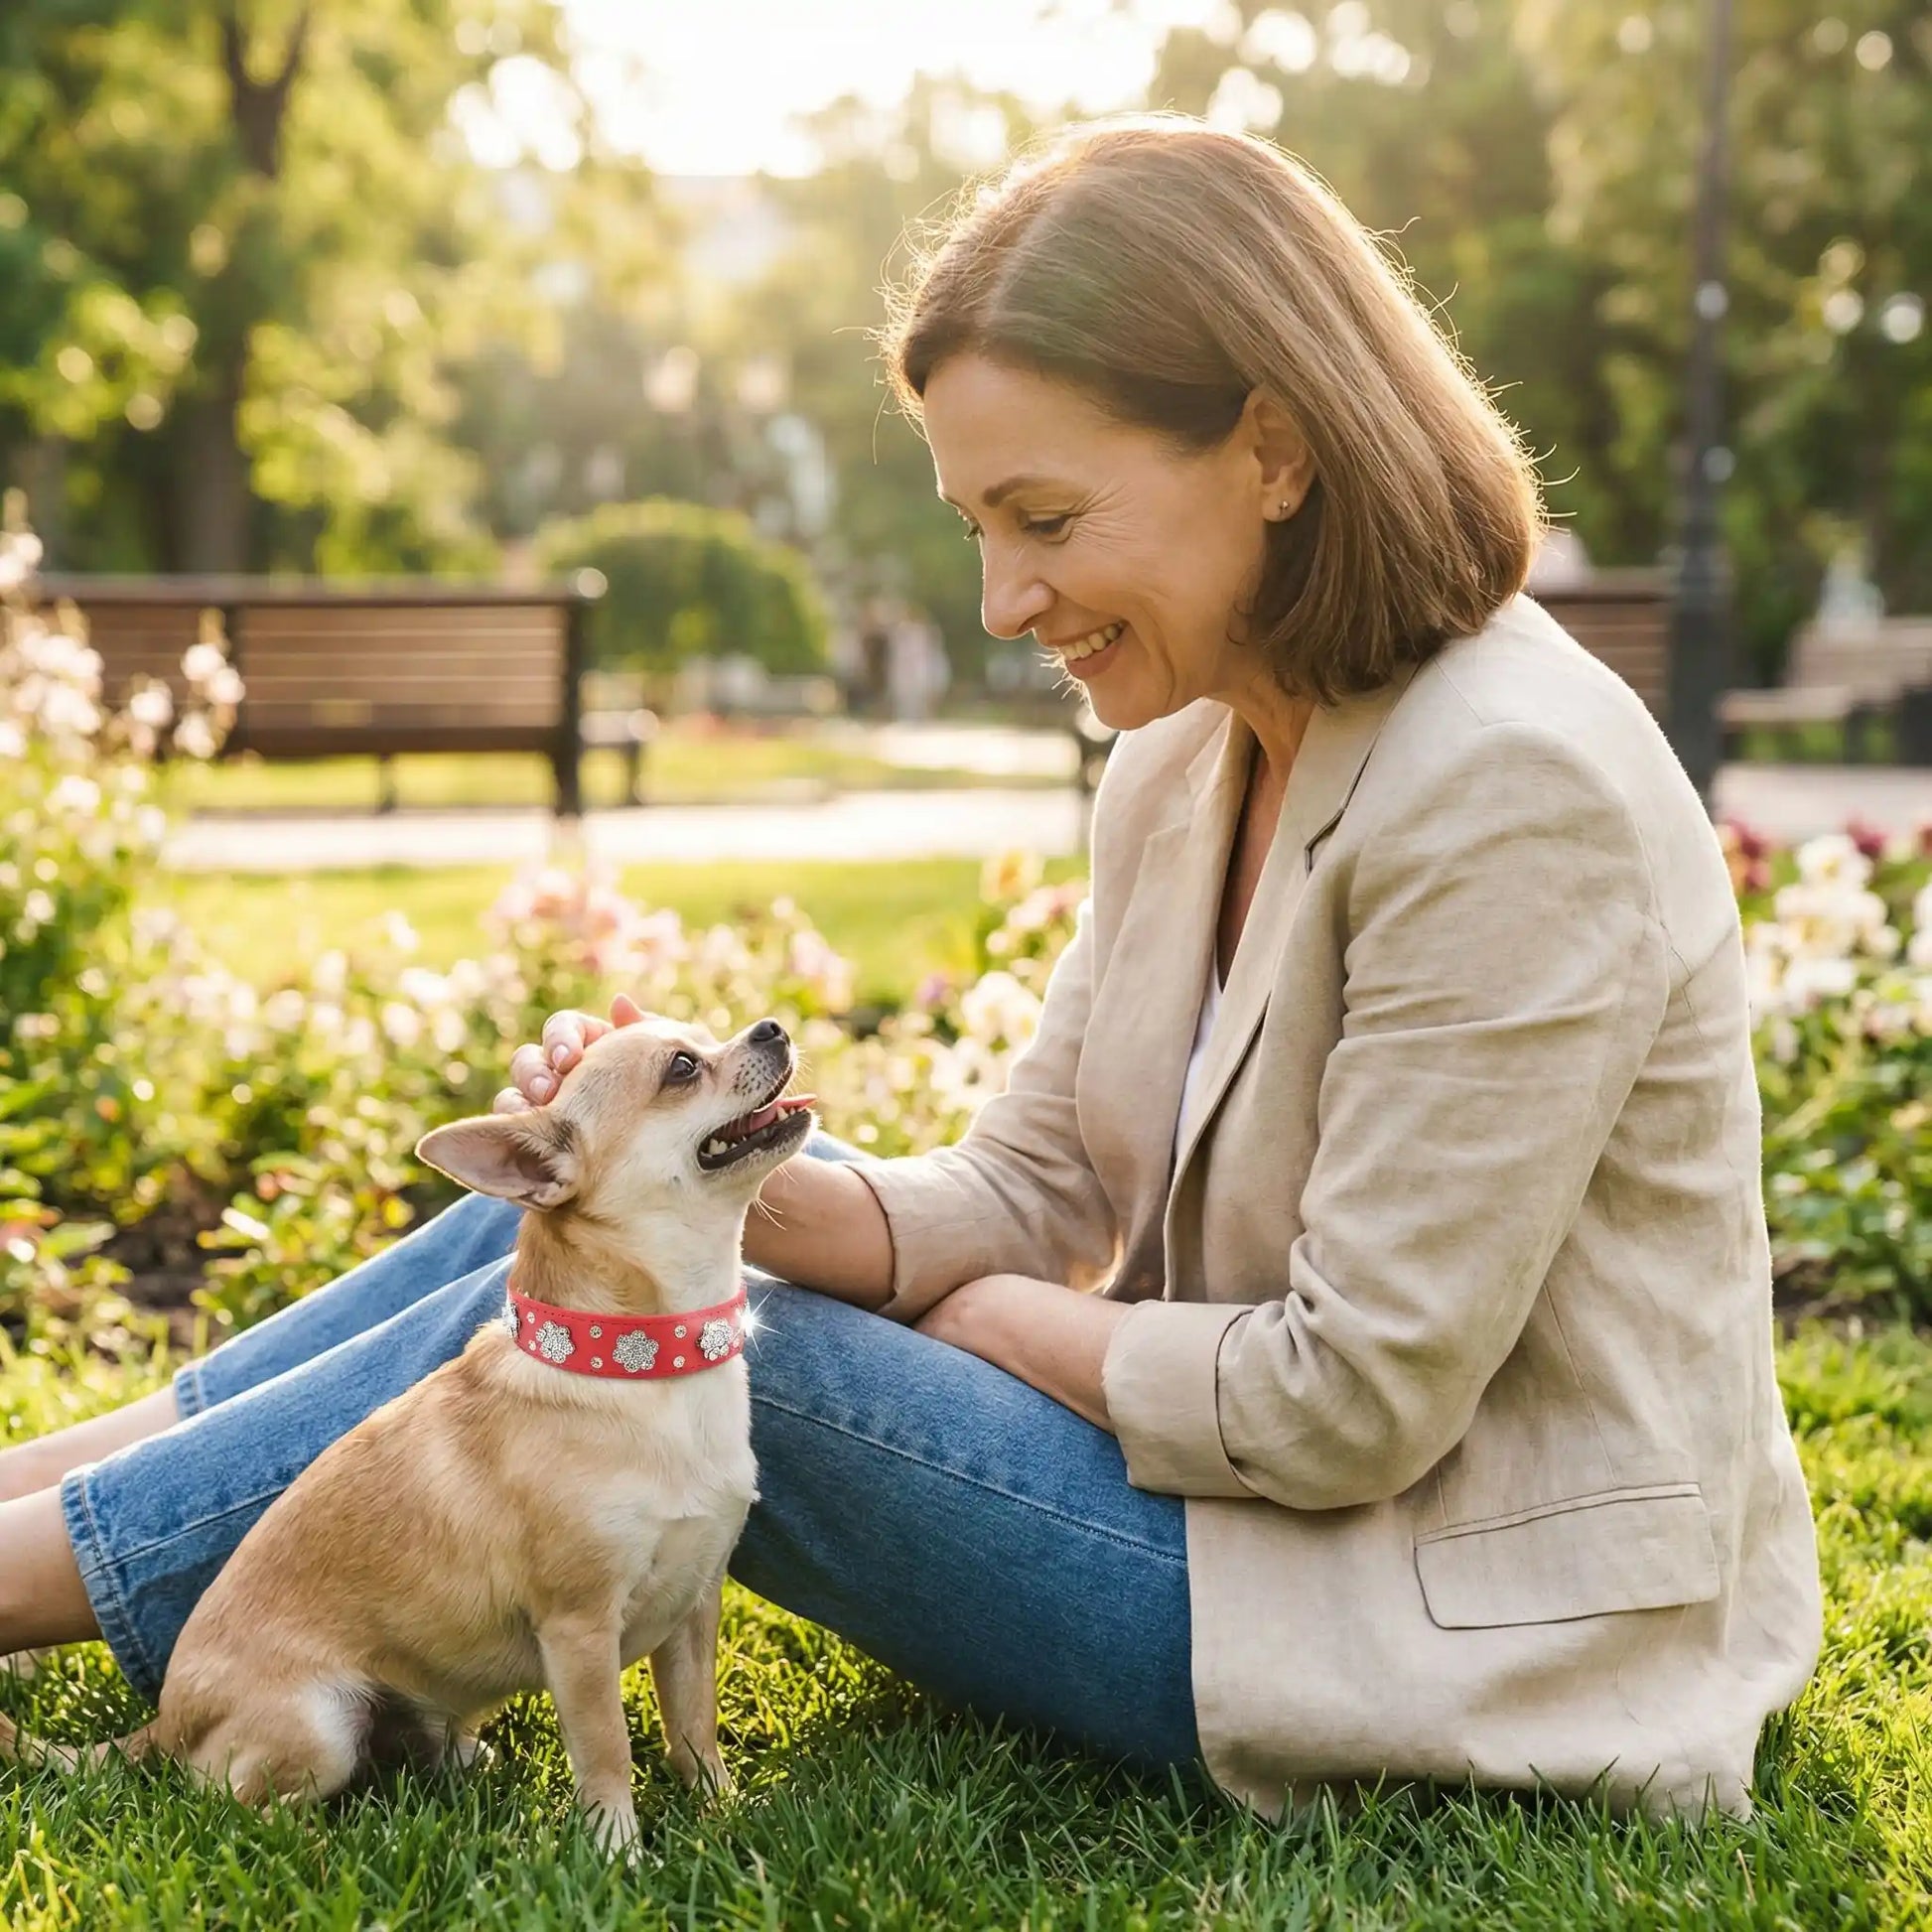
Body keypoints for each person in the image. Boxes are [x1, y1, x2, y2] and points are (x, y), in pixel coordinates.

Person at [0, 117, 1820, 1818]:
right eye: (976, 531)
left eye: (1045, 519)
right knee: (576, 1221)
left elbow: (1344, 1402)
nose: (1001, 606)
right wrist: (725, 1184)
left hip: (1444, 1609)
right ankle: (41, 1513)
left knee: (697, 1343)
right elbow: (1037, 1181)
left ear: (1275, 448)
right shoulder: (1196, 744)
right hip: (1247, 1513)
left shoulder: (1511, 784)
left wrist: (972, 1320)